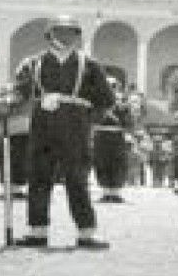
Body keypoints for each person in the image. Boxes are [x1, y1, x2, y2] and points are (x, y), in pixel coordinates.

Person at [12, 15, 115, 249]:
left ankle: (86, 233)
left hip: (75, 128)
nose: (66, 36)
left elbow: (106, 100)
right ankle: (37, 231)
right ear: (49, 35)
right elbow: (20, 93)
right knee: (39, 177)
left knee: (77, 179)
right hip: (43, 126)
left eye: (71, 32)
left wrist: (86, 119)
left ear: (78, 36)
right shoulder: (33, 64)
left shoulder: (89, 65)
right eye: (60, 31)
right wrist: (12, 101)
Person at [94, 76, 131, 202]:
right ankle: (106, 192)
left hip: (117, 136)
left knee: (117, 163)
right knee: (102, 162)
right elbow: (93, 118)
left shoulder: (123, 105)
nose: (111, 89)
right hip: (101, 135)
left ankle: (115, 192)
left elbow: (127, 122)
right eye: (109, 86)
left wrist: (119, 110)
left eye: (113, 86)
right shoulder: (97, 103)